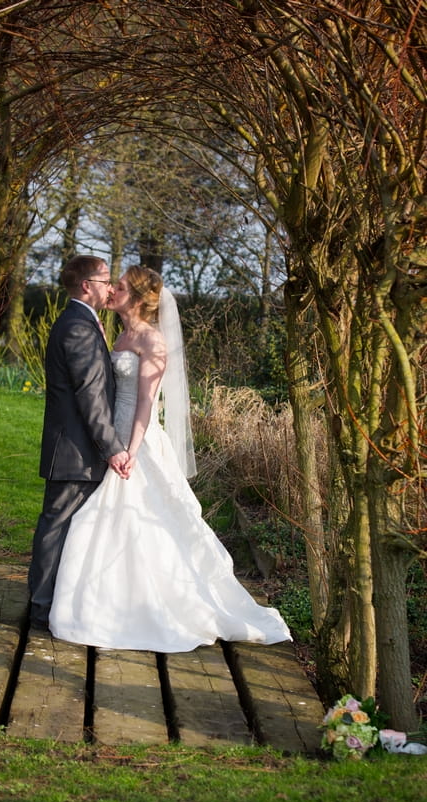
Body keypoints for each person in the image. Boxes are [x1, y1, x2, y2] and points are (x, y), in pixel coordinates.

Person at [49, 265, 292, 651]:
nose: (113, 290)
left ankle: (160, 605)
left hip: (137, 440)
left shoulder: (152, 341)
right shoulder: (121, 335)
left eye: (122, 287)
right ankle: (116, 598)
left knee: (142, 519)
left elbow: (147, 402)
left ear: (140, 298)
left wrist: (129, 448)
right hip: (112, 436)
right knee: (107, 521)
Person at [27, 255, 131, 632]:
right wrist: (113, 447)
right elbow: (90, 395)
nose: (111, 287)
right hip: (75, 451)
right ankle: (41, 612)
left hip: (76, 449)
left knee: (65, 529)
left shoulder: (83, 323)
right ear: (86, 285)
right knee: (55, 529)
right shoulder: (78, 328)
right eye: (105, 280)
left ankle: (56, 607)